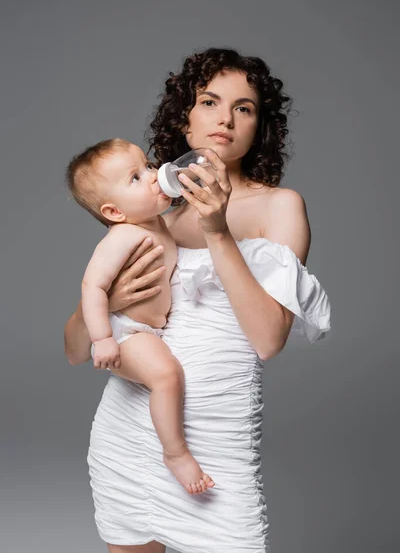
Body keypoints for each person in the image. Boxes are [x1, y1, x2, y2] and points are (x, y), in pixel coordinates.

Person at [64, 47, 331, 553]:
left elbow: (268, 340)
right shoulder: (153, 214)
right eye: (210, 101)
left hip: (214, 436)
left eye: (245, 108)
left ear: (259, 127)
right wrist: (107, 302)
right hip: (129, 428)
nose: (225, 118)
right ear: (184, 121)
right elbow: (76, 350)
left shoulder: (281, 206)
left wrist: (217, 230)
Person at [65, 139, 215, 495]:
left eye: (148, 166)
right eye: (135, 177)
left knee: (166, 372)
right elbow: (93, 286)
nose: (152, 176)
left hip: (148, 331)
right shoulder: (124, 235)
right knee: (167, 375)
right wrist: (102, 338)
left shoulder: (160, 224)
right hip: (125, 333)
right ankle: (175, 453)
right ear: (114, 212)